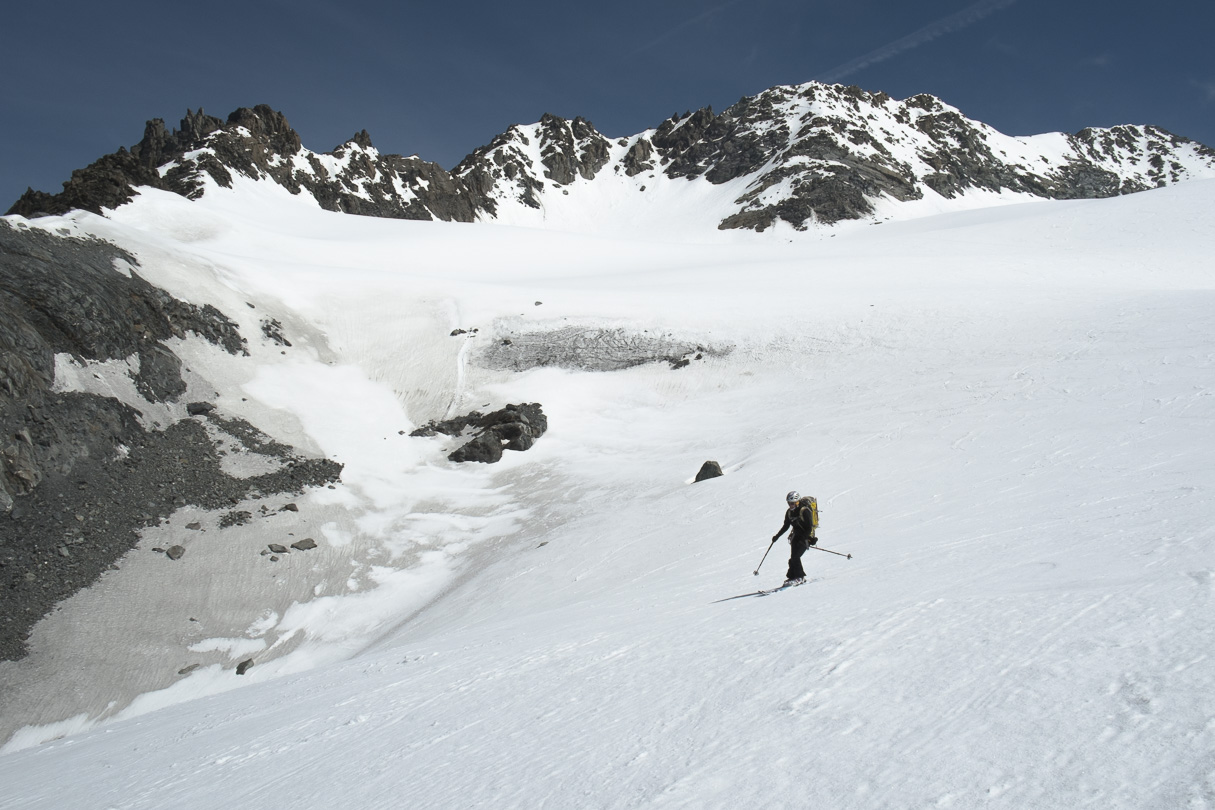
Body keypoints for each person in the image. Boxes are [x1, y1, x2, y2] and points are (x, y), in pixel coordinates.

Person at [771, 490, 816, 586]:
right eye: (789, 503)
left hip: (806, 537)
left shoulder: (804, 511)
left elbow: (809, 527)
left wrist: (804, 539)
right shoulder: (789, 513)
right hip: (796, 537)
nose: (790, 505)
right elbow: (786, 526)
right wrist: (777, 536)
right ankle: (792, 577)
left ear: (797, 501)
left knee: (795, 557)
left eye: (792, 503)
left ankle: (800, 577)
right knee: (793, 558)